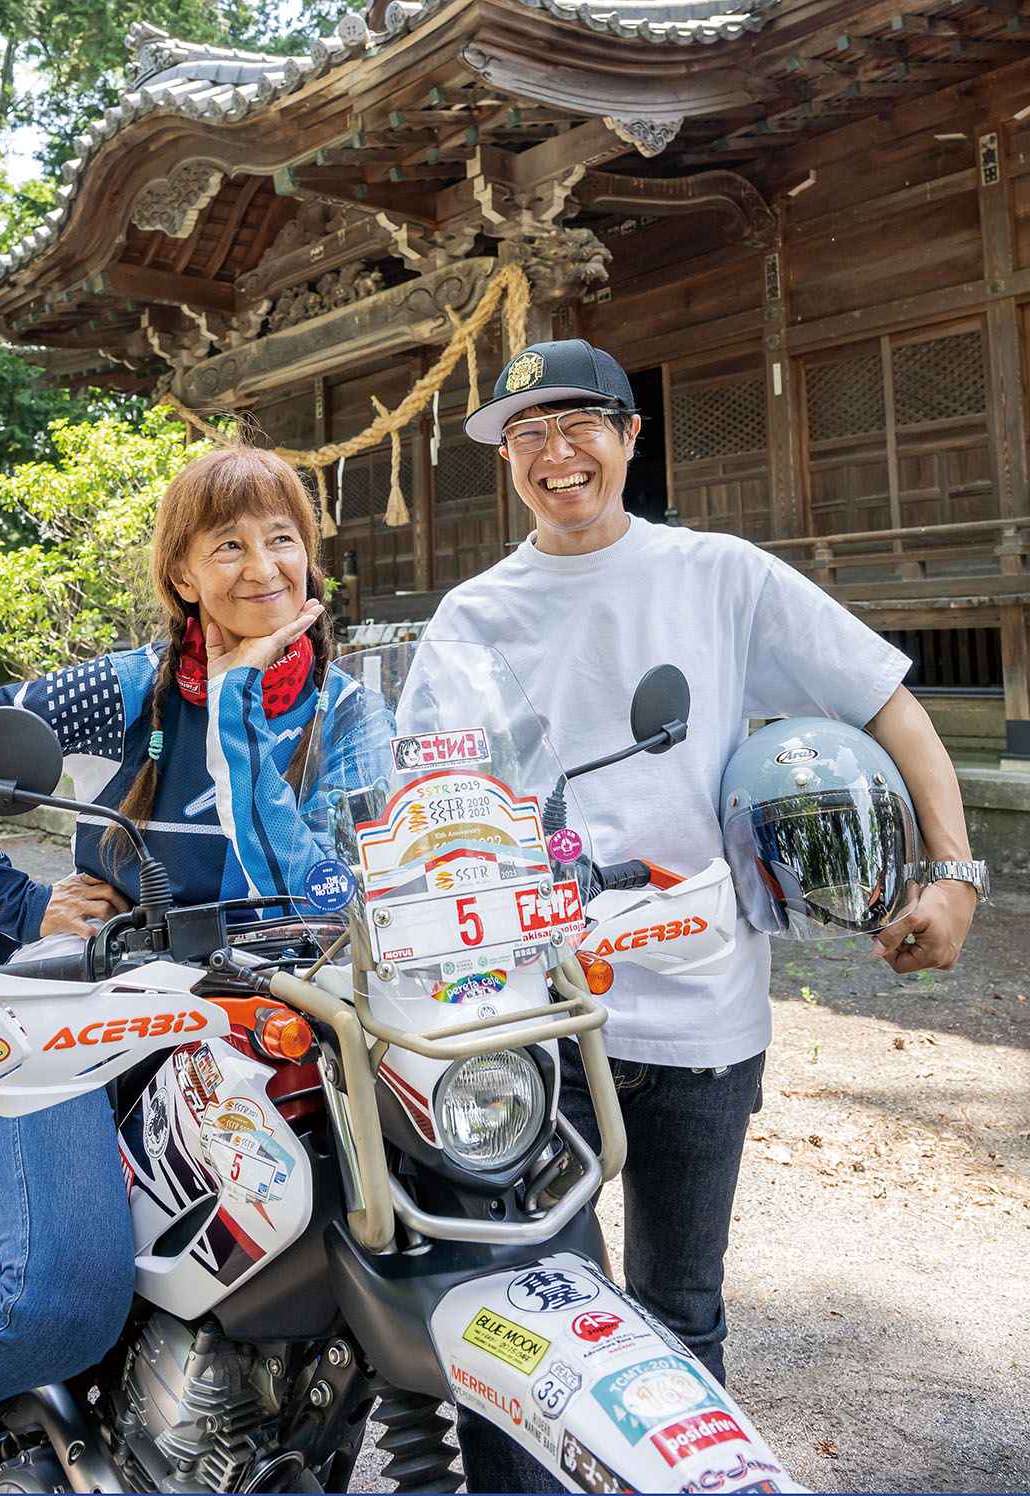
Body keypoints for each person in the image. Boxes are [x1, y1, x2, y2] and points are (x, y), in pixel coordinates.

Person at [427, 338, 985, 1494]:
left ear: (631, 436)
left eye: (578, 421)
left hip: (698, 1014)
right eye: (523, 433)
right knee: (523, 1332)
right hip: (528, 1027)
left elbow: (883, 698)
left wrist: (952, 871)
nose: (552, 451)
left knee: (678, 1311)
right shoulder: (471, 616)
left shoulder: (719, 574)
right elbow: (418, 793)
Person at [0, 443, 386, 1491]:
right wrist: (25, 906)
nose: (261, 566)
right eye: (228, 544)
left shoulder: (349, 712)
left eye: (282, 538)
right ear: (183, 575)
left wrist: (251, 718)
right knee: (62, 1296)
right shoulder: (139, 692)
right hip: (75, 1015)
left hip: (267, 1022)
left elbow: (338, 894)